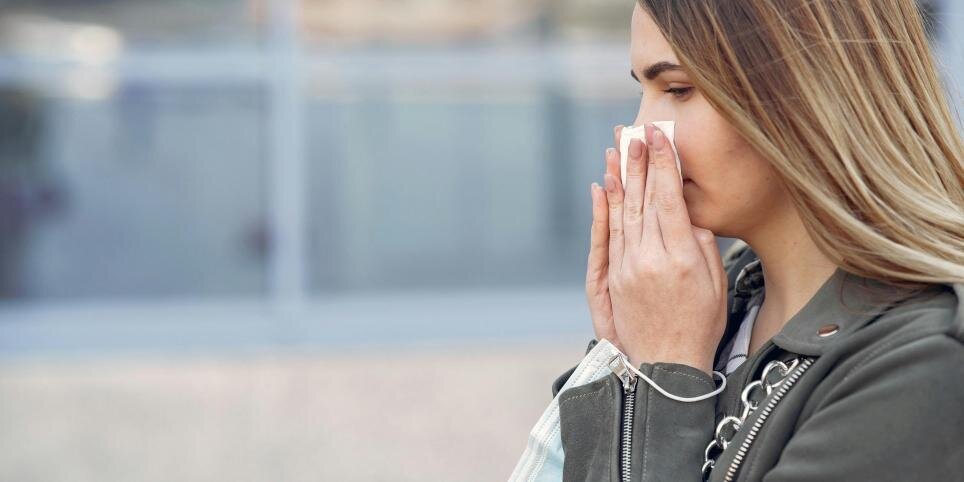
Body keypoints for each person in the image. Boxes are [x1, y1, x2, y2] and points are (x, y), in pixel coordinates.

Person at [554, 1, 963, 481]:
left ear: (808, 94)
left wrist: (663, 377)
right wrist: (624, 358)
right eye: (643, 89)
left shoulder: (922, 365)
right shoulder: (706, 305)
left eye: (678, 89)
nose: (638, 135)